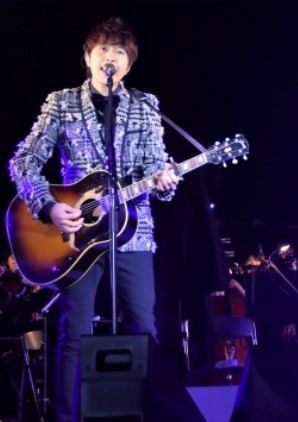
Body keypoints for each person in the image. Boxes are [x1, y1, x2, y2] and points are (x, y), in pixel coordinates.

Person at [9, 17, 180, 421]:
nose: (110, 56)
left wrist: (165, 181)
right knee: (75, 331)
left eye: (119, 51)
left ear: (129, 64)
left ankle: (149, 413)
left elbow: (155, 170)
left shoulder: (145, 105)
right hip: (74, 236)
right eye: (102, 48)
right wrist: (49, 206)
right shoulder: (62, 102)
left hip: (132, 233)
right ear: (88, 58)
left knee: (144, 327)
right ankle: (69, 417)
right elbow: (23, 161)